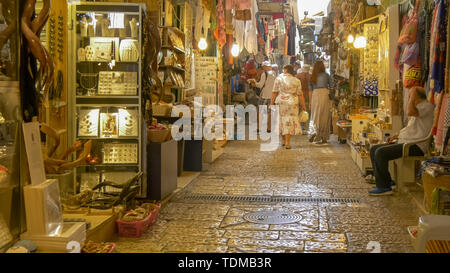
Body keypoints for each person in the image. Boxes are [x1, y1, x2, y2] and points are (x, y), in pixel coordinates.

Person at [367, 87, 435, 196]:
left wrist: (411, 99)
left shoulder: (427, 107)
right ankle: (387, 182)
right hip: (406, 142)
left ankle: (384, 187)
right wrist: (396, 136)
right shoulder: (418, 107)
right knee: (374, 149)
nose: (409, 97)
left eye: (411, 95)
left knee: (380, 153)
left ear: (417, 96)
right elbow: (411, 129)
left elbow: (410, 112)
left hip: (415, 146)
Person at [271, 65, 306, 149]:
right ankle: (287, 142)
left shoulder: (278, 79)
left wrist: (271, 103)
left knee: (282, 120)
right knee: (289, 121)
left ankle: (284, 141)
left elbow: (274, 92)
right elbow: (300, 94)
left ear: (285, 70)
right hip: (292, 102)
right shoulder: (296, 80)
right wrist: (303, 105)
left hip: (281, 102)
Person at [308, 61, 332, 144]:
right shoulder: (327, 75)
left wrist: (310, 102)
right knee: (325, 115)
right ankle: (324, 137)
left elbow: (310, 91)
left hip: (315, 95)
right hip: (325, 94)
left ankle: (314, 131)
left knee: (315, 115)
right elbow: (331, 87)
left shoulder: (312, 77)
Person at [249, 61, 276, 131]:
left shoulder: (264, 74)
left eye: (263, 67)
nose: (263, 68)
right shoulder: (274, 73)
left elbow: (260, 85)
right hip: (272, 96)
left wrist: (254, 82)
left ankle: (259, 128)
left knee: (260, 112)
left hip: (264, 96)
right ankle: (269, 128)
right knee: (270, 113)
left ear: (265, 67)